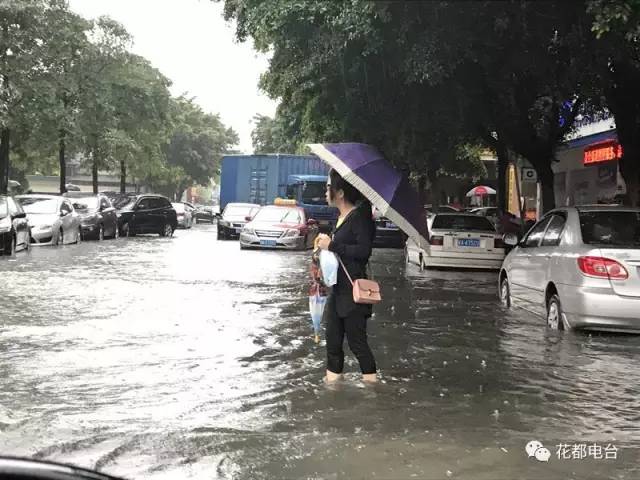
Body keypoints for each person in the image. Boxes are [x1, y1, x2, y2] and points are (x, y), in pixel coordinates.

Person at [316, 169, 377, 384]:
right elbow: (338, 253)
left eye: (328, 187)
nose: (325, 192)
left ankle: (373, 391)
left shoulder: (360, 217)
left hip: (353, 292)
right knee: (332, 342)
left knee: (357, 344)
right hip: (337, 290)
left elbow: (363, 252)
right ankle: (332, 391)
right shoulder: (340, 218)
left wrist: (332, 244)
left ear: (340, 192)